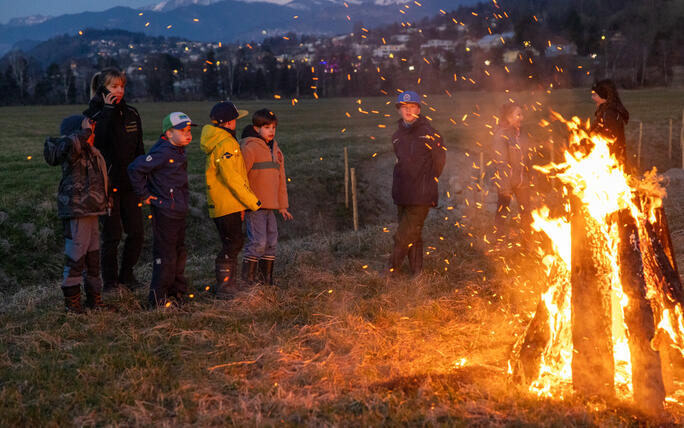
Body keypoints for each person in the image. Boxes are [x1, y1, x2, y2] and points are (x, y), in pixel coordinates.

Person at [83, 68, 145, 291]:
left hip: (130, 184)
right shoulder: (93, 116)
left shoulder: (132, 114)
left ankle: (127, 275)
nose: (119, 91)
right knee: (112, 236)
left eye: (122, 86)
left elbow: (139, 148)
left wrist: (143, 176)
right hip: (106, 186)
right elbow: (98, 143)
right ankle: (110, 282)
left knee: (137, 233)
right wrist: (108, 110)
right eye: (113, 87)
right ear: (102, 89)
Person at [128, 112, 196, 308]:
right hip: (165, 211)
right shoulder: (163, 152)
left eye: (189, 130)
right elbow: (135, 168)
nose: (188, 134)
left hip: (178, 209)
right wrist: (144, 194)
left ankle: (176, 292)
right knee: (165, 255)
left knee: (179, 252)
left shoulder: (178, 150)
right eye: (182, 131)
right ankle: (158, 299)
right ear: (168, 132)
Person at [44, 115, 109, 313]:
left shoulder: (92, 153)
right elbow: (68, 146)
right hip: (77, 211)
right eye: (87, 130)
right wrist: (84, 132)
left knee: (93, 258)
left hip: (92, 211)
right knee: (76, 257)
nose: (91, 134)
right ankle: (72, 303)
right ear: (77, 133)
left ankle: (94, 300)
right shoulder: (73, 152)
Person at [200, 101, 261, 298]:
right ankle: (225, 286)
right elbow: (232, 178)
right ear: (227, 122)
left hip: (227, 203)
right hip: (226, 204)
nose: (236, 123)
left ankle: (229, 284)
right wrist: (253, 202)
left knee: (233, 242)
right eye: (234, 119)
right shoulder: (226, 143)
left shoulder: (222, 140)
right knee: (232, 243)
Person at [388, 91, 446, 277]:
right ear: (399, 110)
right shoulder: (396, 136)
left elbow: (439, 163)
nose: (408, 110)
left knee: (403, 235)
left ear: (418, 109)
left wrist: (426, 184)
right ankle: (417, 274)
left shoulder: (430, 134)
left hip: (421, 195)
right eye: (404, 107)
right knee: (414, 234)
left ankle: (390, 271)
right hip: (402, 194)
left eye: (412, 107)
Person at [241, 109, 292, 285]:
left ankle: (266, 281)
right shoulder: (250, 148)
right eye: (266, 127)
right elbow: (240, 178)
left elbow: (281, 180)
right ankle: (248, 283)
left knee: (271, 242)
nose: (271, 131)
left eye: (273, 127)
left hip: (271, 207)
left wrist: (282, 205)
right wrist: (242, 205)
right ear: (256, 128)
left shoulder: (277, 151)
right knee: (258, 242)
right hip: (254, 207)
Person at [491, 102, 532, 234]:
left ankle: (528, 242)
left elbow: (527, 158)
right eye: (518, 115)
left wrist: (530, 177)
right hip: (506, 181)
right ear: (509, 117)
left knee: (526, 212)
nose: (522, 117)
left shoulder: (521, 133)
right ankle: (498, 240)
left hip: (522, 182)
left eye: (522, 114)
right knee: (502, 212)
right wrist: (505, 186)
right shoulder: (501, 135)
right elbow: (501, 162)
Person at [590, 79, 630, 169]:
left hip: (613, 162)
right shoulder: (603, 110)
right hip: (605, 159)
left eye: (595, 95)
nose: (592, 98)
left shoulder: (611, 113)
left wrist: (595, 134)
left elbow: (612, 136)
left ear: (603, 96)